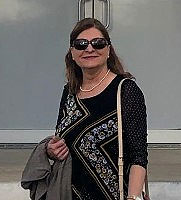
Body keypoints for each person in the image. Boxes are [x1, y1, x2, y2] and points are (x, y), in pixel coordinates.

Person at [46, 18, 148, 200]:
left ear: (108, 50)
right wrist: (52, 149)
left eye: (98, 43)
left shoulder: (125, 90)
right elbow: (61, 139)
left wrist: (134, 197)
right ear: (72, 52)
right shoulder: (69, 92)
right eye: (81, 44)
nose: (89, 49)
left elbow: (138, 156)